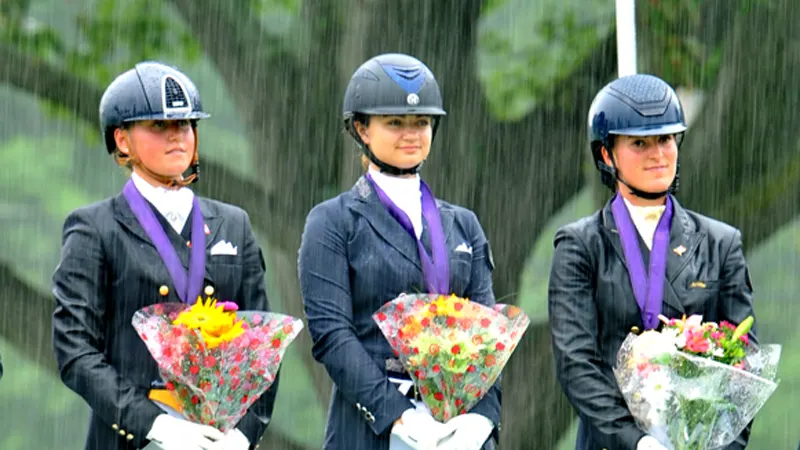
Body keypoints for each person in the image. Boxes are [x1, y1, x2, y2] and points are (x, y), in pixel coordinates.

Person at [52, 61, 278, 450]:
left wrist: (244, 434)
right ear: (123, 141)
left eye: (185, 124)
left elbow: (264, 348)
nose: (178, 136)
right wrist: (156, 425)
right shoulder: (94, 228)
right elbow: (75, 350)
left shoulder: (234, 224)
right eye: (159, 126)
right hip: (133, 438)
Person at [297, 53, 501, 450]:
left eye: (421, 122)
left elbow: (489, 340)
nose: (411, 133)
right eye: (394, 122)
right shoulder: (333, 222)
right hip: (372, 430)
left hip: (460, 429)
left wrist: (483, 418)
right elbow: (332, 336)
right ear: (362, 128)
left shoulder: (464, 224)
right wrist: (399, 415)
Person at [547, 73, 758, 450]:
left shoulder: (721, 243)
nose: (658, 154)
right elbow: (577, 364)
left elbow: (745, 365)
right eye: (639, 143)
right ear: (606, 155)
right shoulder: (579, 245)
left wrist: (720, 445)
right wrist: (637, 442)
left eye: (665, 139)